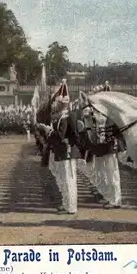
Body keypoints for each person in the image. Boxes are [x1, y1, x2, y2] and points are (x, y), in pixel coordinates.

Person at [46, 79, 81, 214]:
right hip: (62, 152)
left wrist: (49, 131)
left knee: (69, 181)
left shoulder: (68, 116)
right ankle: (66, 204)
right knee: (64, 180)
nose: (56, 104)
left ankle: (71, 207)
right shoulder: (60, 117)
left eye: (59, 102)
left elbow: (64, 135)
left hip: (67, 152)